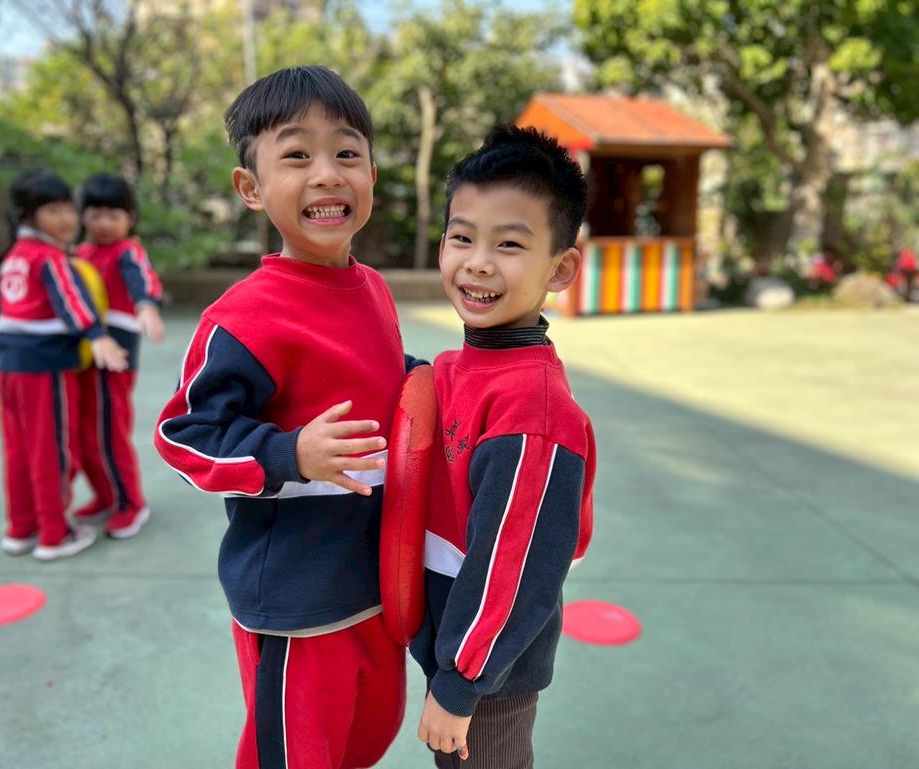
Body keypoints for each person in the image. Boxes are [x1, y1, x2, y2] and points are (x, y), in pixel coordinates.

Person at [153, 66, 416, 769]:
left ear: (371, 174)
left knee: (367, 735)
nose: (328, 173)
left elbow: (384, 372)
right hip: (298, 600)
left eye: (347, 152)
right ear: (251, 187)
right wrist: (289, 453)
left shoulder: (373, 287)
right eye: (297, 155)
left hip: (379, 581)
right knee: (297, 754)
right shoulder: (244, 318)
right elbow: (184, 437)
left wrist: (436, 383)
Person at [410, 126, 597, 769]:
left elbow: (513, 570)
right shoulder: (455, 366)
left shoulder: (533, 414)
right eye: (462, 237)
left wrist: (460, 683)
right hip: (456, 643)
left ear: (560, 269)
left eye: (510, 245)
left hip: (490, 672)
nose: (479, 262)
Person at [0, 169, 129, 561]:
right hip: (46, 368)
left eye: (68, 209)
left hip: (9, 367)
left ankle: (21, 529)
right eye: (53, 211)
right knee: (50, 451)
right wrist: (96, 334)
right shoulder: (51, 258)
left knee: (18, 449)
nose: (66, 219)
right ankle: (55, 533)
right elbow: (72, 299)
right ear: (26, 215)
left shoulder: (14, 256)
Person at [69, 173, 164, 539]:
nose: (104, 223)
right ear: (83, 216)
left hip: (117, 355)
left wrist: (147, 306)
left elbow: (143, 280)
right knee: (85, 431)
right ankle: (106, 496)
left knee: (110, 431)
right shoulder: (80, 253)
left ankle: (131, 504)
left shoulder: (128, 251)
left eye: (114, 215)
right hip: (83, 353)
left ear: (130, 218)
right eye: (96, 214)